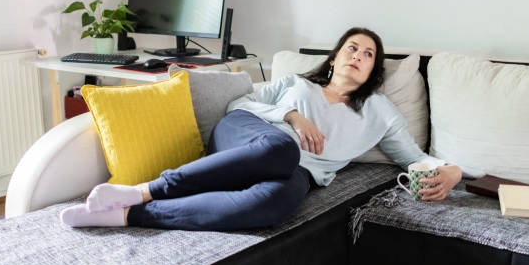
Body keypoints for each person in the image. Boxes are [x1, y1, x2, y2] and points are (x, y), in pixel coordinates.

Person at [60, 27, 462, 231]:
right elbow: (238, 105)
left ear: (374, 70)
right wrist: (291, 116)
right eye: (352, 48)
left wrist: (453, 172)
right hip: (248, 133)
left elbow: (416, 158)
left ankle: (128, 215)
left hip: (298, 170)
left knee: (271, 207)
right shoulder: (296, 84)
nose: (358, 55)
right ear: (335, 57)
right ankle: (144, 189)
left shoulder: (380, 112)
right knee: (282, 149)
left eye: (368, 54)